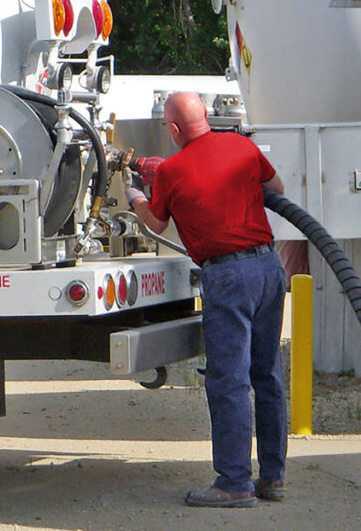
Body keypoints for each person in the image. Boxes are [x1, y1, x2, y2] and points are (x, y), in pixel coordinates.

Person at [125, 92, 287, 508]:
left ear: (174, 130)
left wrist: (135, 197)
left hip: (229, 276)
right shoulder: (242, 145)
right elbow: (277, 188)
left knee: (229, 379)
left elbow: (157, 221)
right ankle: (272, 478)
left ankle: (234, 483)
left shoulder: (173, 171)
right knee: (265, 375)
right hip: (269, 267)